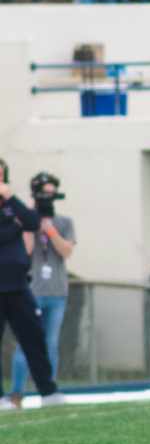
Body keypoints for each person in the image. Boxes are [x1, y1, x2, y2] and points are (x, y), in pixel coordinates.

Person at [0, 162, 63, 410]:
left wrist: (11, 198)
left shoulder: (11, 203)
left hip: (17, 286)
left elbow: (32, 221)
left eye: (2, 173)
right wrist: (12, 228)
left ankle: (48, 392)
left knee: (35, 338)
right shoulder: (10, 219)